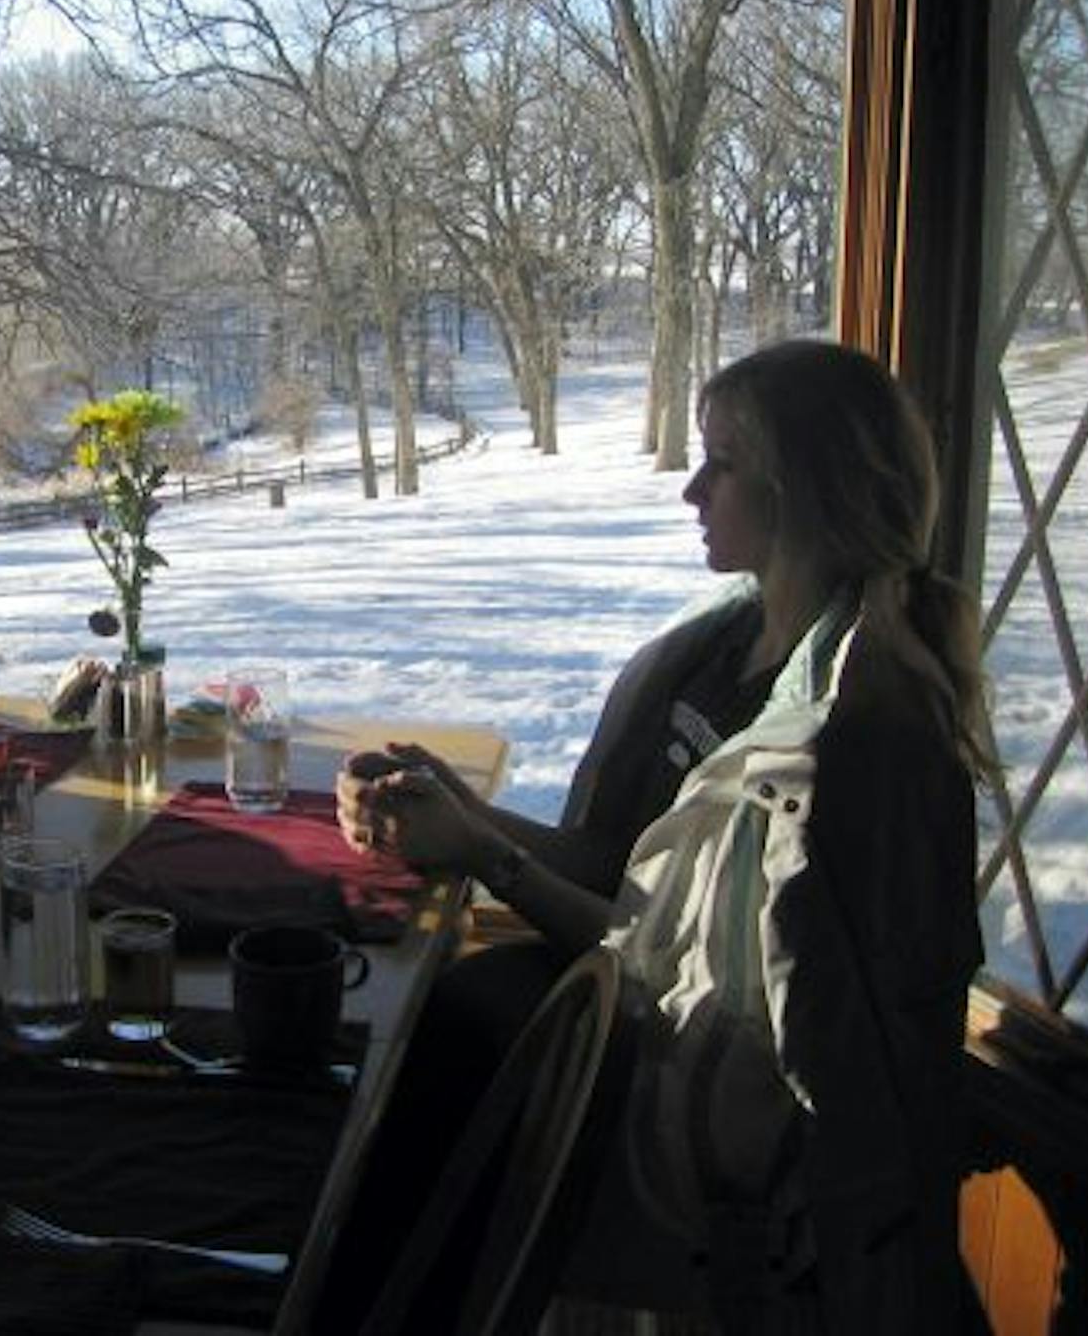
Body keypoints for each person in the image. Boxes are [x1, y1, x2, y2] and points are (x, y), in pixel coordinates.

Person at [324, 339, 992, 1334]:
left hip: (693, 1160)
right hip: (641, 1059)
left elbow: (685, 993)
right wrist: (462, 814)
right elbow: (627, 871)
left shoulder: (853, 745)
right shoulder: (718, 649)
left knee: (429, 1051)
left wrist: (486, 856)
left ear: (800, 489)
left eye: (723, 462)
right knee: (419, 1031)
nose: (693, 490)